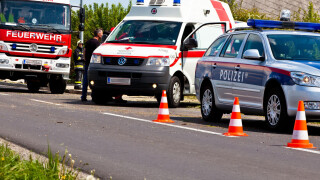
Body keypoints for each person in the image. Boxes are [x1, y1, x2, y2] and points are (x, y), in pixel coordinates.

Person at [81, 28, 103, 102]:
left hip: (87, 63)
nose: (102, 35)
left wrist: (85, 58)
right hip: (93, 64)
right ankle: (94, 96)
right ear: (98, 34)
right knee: (94, 80)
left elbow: (84, 50)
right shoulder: (97, 43)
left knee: (85, 81)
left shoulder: (88, 41)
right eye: (101, 33)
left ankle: (83, 96)